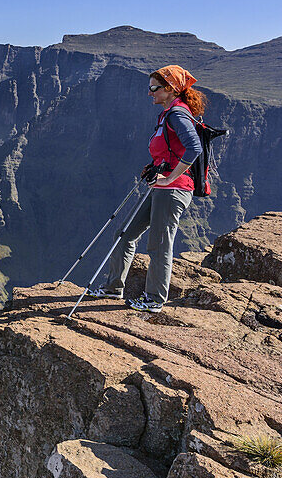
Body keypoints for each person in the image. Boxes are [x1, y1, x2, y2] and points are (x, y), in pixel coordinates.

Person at [87, 65, 207, 313]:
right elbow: (172, 150)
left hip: (173, 191)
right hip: (161, 187)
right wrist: (155, 167)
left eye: (154, 88)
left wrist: (168, 178)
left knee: (159, 245)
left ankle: (154, 299)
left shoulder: (177, 115)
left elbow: (194, 148)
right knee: (125, 234)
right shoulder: (168, 113)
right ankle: (113, 288)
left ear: (171, 89)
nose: (150, 93)